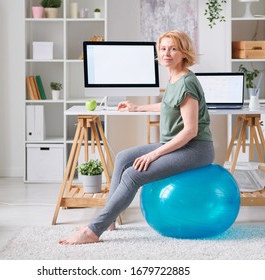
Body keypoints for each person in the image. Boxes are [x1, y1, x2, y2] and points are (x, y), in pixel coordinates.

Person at [59, 30, 214, 245]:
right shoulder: (174, 77)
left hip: (195, 149)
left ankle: (93, 231)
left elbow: (190, 131)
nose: (167, 53)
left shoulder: (187, 82)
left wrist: (154, 154)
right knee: (123, 157)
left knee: (133, 175)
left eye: (173, 48)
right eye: (163, 48)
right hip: (176, 145)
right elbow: (169, 105)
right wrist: (138, 107)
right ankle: (109, 220)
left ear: (184, 52)